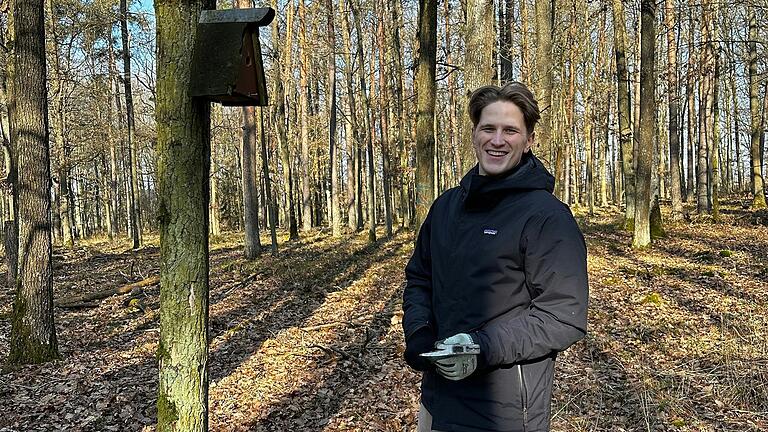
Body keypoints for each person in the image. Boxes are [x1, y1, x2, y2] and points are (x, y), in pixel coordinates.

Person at [402, 82, 589, 432]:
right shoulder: (446, 207)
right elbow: (419, 279)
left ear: (529, 139)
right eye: (488, 128)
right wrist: (419, 331)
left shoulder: (547, 217)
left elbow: (564, 315)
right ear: (474, 133)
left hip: (504, 411)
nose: (497, 140)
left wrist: (481, 347)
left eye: (510, 130)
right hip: (437, 400)